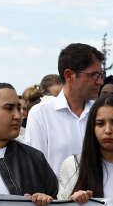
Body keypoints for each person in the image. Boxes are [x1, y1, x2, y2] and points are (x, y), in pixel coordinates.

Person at [22, 43, 104, 174]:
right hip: (56, 194)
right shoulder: (41, 114)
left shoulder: (102, 112)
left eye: (101, 75)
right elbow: (34, 169)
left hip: (98, 194)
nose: (100, 82)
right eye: (94, 75)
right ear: (69, 75)